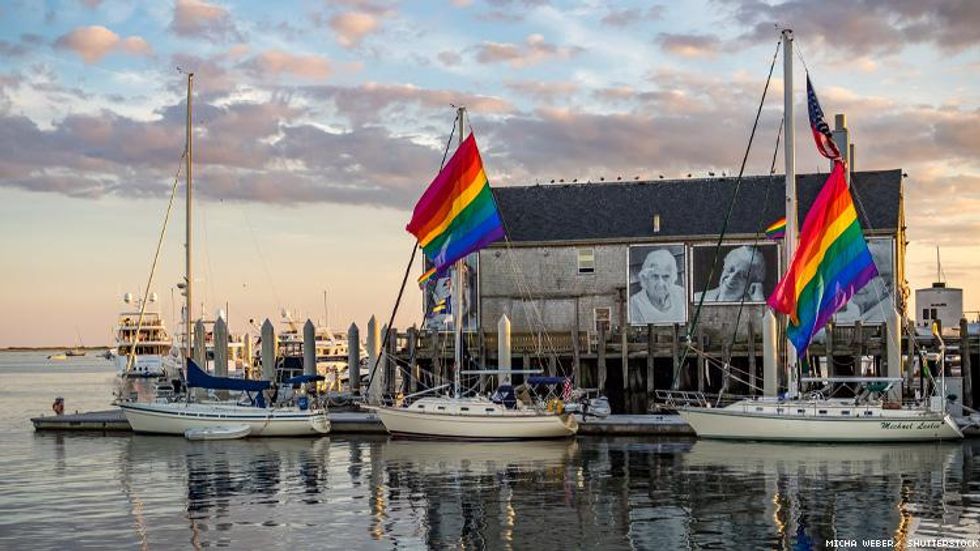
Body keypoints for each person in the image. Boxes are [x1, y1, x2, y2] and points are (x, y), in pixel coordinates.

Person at [629, 249, 686, 323]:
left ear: (672, 278)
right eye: (655, 276)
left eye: (666, 276)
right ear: (645, 278)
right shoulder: (635, 304)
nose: (660, 283)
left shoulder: (682, 294)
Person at [694, 245, 766, 302]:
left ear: (752, 286)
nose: (731, 278)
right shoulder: (697, 299)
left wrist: (759, 302)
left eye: (742, 276)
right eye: (730, 270)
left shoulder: (750, 310)